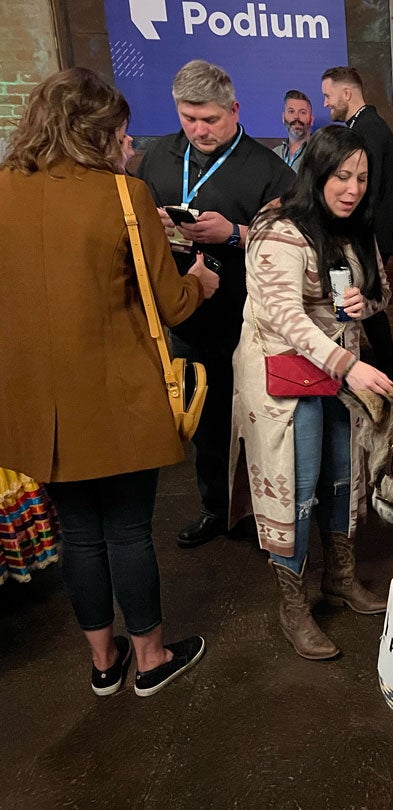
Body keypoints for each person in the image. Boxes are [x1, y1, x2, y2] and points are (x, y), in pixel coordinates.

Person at [0, 68, 219, 695]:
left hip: (39, 406)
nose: (127, 145)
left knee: (79, 536)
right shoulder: (123, 198)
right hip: (118, 399)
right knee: (126, 531)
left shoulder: (4, 191)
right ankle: (151, 658)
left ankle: (104, 662)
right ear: (96, 133)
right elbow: (172, 306)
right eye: (119, 133)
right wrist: (202, 281)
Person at [230, 125, 393, 659]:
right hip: (287, 381)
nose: (352, 189)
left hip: (338, 376)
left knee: (343, 476)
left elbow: (382, 291)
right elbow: (286, 317)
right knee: (295, 488)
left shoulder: (355, 227)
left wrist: (362, 306)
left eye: (362, 178)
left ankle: (340, 579)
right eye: (342, 176)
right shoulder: (279, 228)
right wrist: (350, 364)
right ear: (317, 173)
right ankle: (293, 605)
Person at [135, 60, 295, 548]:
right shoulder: (160, 155)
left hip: (249, 317)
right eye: (189, 118)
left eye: (211, 119)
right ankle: (214, 507)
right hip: (181, 310)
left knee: (253, 418)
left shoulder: (270, 169)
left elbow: (295, 240)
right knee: (203, 420)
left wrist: (236, 233)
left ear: (234, 110)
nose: (199, 130)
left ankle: (260, 511)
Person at [321, 66, 393, 378]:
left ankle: (386, 379)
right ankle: (386, 376)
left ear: (346, 92)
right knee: (368, 307)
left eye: (329, 95)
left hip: (369, 236)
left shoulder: (367, 129)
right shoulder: (368, 125)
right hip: (371, 235)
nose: (326, 103)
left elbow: (366, 192)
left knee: (368, 306)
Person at [274, 89, 312, 171]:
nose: (296, 117)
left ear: (311, 120)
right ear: (283, 118)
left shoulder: (319, 153)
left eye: (302, 112)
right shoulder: (275, 154)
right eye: (291, 111)